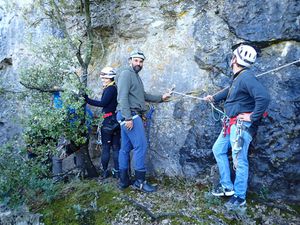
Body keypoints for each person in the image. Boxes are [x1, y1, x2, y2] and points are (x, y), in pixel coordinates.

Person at [204, 44, 270, 210]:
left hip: (241, 125)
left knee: (240, 160)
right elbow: (230, 91)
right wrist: (214, 98)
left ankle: (240, 197)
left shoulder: (246, 77)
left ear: (235, 59)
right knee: (218, 149)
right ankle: (227, 186)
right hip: (231, 124)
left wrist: (252, 116)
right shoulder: (239, 78)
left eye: (232, 56)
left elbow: (264, 97)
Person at [116, 49, 172, 193]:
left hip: (126, 115)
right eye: (136, 60)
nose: (139, 63)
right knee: (141, 146)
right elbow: (122, 97)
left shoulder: (135, 76)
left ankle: (124, 181)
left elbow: (143, 95)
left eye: (141, 61)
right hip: (130, 115)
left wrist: (161, 97)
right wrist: (128, 117)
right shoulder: (126, 74)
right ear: (130, 60)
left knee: (125, 148)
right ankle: (140, 182)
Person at [84, 67, 120, 179]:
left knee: (106, 148)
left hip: (108, 121)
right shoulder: (113, 88)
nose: (103, 79)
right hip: (114, 120)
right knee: (115, 148)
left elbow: (103, 103)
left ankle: (105, 172)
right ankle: (116, 172)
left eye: (104, 77)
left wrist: (87, 99)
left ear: (109, 77)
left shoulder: (110, 89)